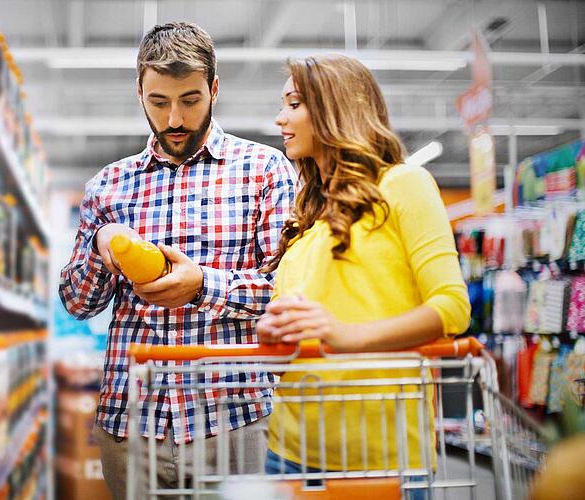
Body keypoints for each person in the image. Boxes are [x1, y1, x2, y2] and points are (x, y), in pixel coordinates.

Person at [59, 22, 298, 500]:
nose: (173, 120)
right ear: (139, 92)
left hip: (233, 418)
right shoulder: (109, 185)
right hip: (130, 422)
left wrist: (202, 286)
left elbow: (286, 292)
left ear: (213, 88)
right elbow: (77, 302)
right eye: (158, 102)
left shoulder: (266, 171)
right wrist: (102, 246)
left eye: (189, 101)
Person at [256, 55, 471, 494]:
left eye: (294, 104)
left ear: (337, 107)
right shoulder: (305, 223)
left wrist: (343, 337)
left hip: (382, 456)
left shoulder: (403, 184)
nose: (280, 118)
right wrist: (275, 338)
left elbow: (452, 308)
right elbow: (302, 339)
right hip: (290, 449)